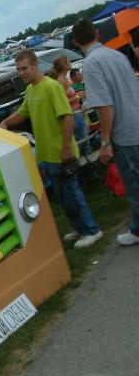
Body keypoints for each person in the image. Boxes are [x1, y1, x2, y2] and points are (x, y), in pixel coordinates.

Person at [0, 49, 102, 249]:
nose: (21, 73)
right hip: (47, 155)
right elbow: (22, 113)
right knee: (65, 198)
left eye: (24, 68)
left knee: (73, 193)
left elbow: (68, 117)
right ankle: (80, 228)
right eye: (18, 69)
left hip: (62, 153)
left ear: (35, 66)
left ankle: (92, 230)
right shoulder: (31, 90)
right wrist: (6, 122)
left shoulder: (51, 86)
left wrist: (66, 147)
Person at [72, 18, 139, 246]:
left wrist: (105, 142)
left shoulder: (91, 64)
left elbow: (104, 106)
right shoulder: (117, 55)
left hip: (125, 133)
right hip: (135, 122)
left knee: (134, 184)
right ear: (97, 34)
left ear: (75, 42)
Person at [49, 56, 90, 155]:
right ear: (63, 65)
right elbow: (61, 102)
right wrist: (77, 96)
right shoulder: (60, 80)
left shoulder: (64, 79)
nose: (70, 62)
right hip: (73, 114)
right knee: (83, 142)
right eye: (68, 61)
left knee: (84, 140)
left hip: (77, 112)